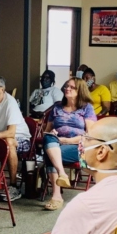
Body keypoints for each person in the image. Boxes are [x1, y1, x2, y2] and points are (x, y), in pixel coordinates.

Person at [41, 78, 96, 211]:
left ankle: (57, 195)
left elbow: (90, 135)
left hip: (79, 147)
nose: (67, 88)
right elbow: (46, 131)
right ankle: (62, 174)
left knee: (50, 155)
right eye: (66, 86)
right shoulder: (57, 107)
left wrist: (66, 140)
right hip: (56, 144)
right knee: (48, 138)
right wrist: (52, 133)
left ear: (80, 91)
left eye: (72, 87)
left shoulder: (87, 108)